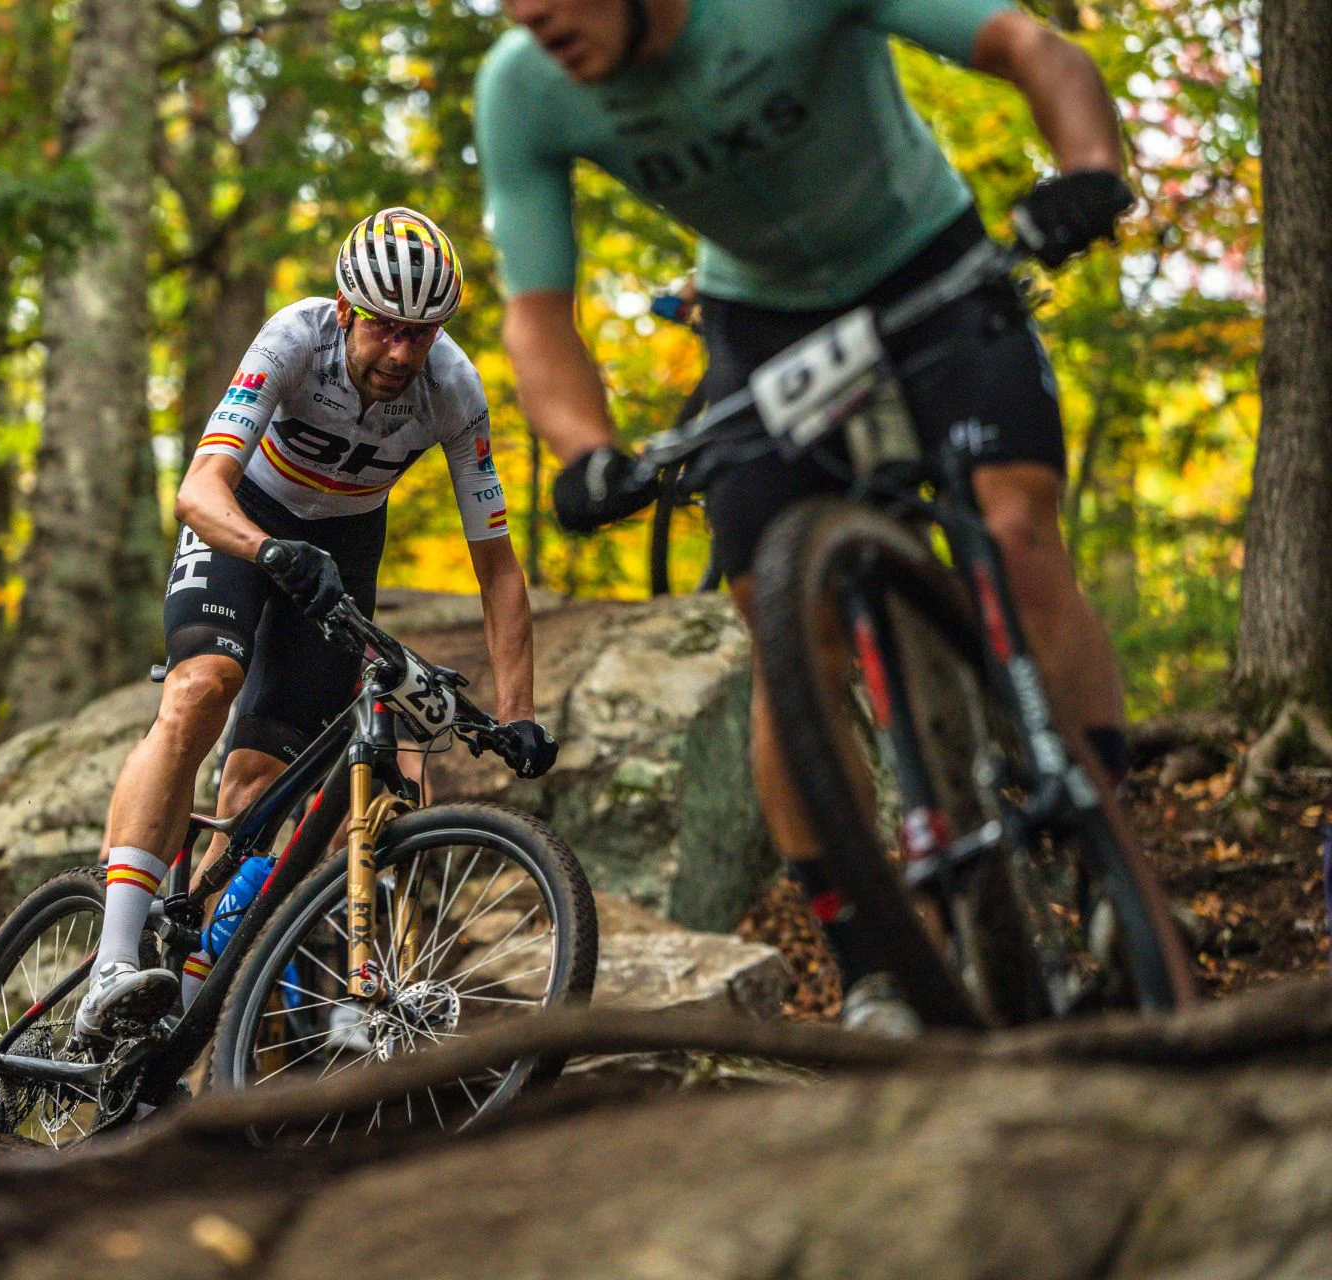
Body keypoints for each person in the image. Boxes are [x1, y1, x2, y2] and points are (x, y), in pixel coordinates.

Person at [476, 0, 1136, 1033]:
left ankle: (1109, 857)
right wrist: (586, 451)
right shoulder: (524, 88)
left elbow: (1028, 45)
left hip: (926, 259)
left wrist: (1087, 167)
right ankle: (869, 959)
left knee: (1013, 529)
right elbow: (537, 313)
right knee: (779, 620)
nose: (530, 13)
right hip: (766, 323)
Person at [75, 207, 558, 1040]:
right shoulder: (293, 338)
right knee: (202, 687)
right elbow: (198, 489)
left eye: (422, 334)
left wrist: (515, 713)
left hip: (345, 539)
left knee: (262, 783)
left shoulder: (454, 389)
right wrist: (267, 552)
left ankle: (181, 1010)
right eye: (385, 330)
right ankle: (113, 961)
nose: (403, 353)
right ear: (344, 310)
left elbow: (499, 568)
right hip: (241, 517)